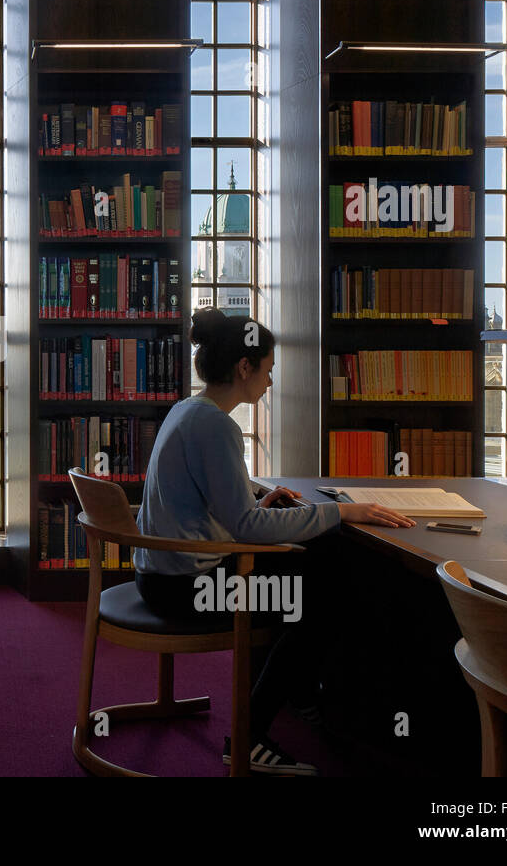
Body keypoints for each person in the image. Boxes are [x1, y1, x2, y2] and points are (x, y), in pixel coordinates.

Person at [135, 308, 414, 775]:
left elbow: (216, 515)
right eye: (266, 370)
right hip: (191, 590)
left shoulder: (187, 410)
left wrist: (266, 510)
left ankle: (299, 692)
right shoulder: (216, 426)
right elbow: (245, 530)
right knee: (324, 596)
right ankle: (248, 736)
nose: (268, 383)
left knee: (319, 567)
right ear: (244, 367)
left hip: (165, 575)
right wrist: (341, 511)